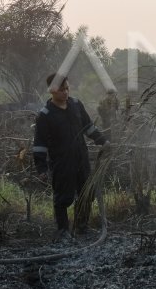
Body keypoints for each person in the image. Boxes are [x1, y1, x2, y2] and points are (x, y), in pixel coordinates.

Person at [33, 74, 108, 240]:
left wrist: (102, 141)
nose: (65, 92)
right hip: (61, 162)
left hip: (81, 158)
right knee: (63, 197)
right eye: (61, 90)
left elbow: (88, 127)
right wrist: (41, 167)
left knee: (86, 194)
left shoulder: (76, 104)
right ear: (52, 90)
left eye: (67, 88)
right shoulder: (45, 115)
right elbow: (40, 143)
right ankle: (63, 231)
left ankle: (82, 227)